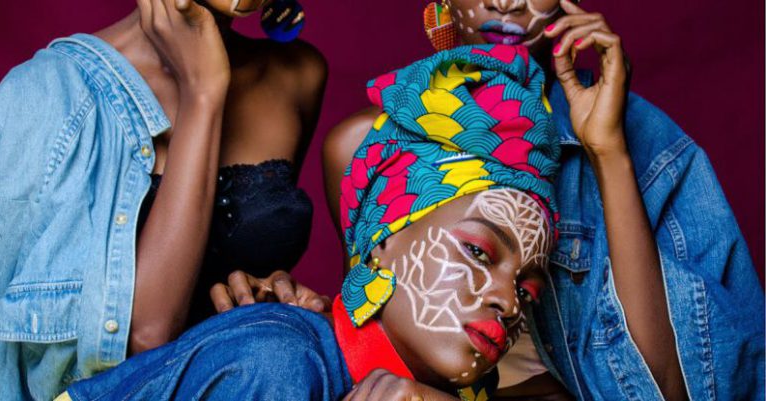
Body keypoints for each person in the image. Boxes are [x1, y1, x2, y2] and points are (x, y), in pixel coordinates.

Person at [58, 44, 559, 401]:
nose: (509, 301)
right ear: (382, 241)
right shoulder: (279, 367)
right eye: (477, 251)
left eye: (529, 290)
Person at [322, 0, 765, 400]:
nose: (507, 3)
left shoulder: (654, 152)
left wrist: (609, 153)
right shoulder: (368, 146)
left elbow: (667, 393)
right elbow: (370, 337)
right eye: (478, 251)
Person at [0, 0, 327, 399]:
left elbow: (243, 266)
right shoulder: (46, 94)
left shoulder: (296, 75)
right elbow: (149, 337)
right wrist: (203, 94)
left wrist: (270, 298)